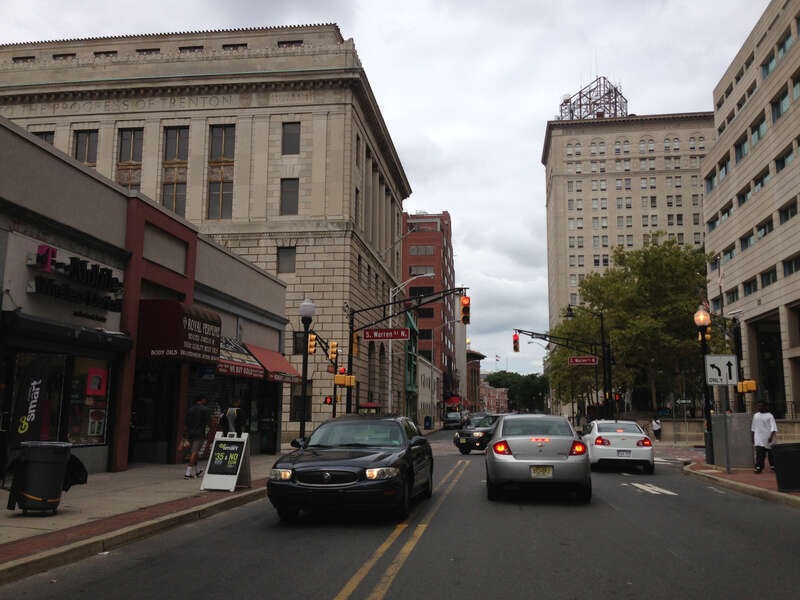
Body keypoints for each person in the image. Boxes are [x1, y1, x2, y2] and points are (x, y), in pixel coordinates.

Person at [184, 396, 211, 479]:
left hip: (190, 434)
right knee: (194, 453)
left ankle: (197, 470)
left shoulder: (190, 409)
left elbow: (185, 423)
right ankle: (187, 473)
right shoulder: (205, 410)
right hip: (199, 434)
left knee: (193, 453)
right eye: (204, 399)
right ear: (202, 400)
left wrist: (184, 436)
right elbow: (209, 422)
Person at [751, 400, 778, 474]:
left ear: (765, 406)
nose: (759, 407)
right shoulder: (755, 415)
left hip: (768, 439)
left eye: (761, 406)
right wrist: (752, 437)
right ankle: (758, 467)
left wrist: (771, 437)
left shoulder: (770, 416)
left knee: (771, 454)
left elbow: (774, 428)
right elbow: (753, 427)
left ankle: (773, 466)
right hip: (758, 439)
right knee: (759, 454)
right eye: (758, 406)